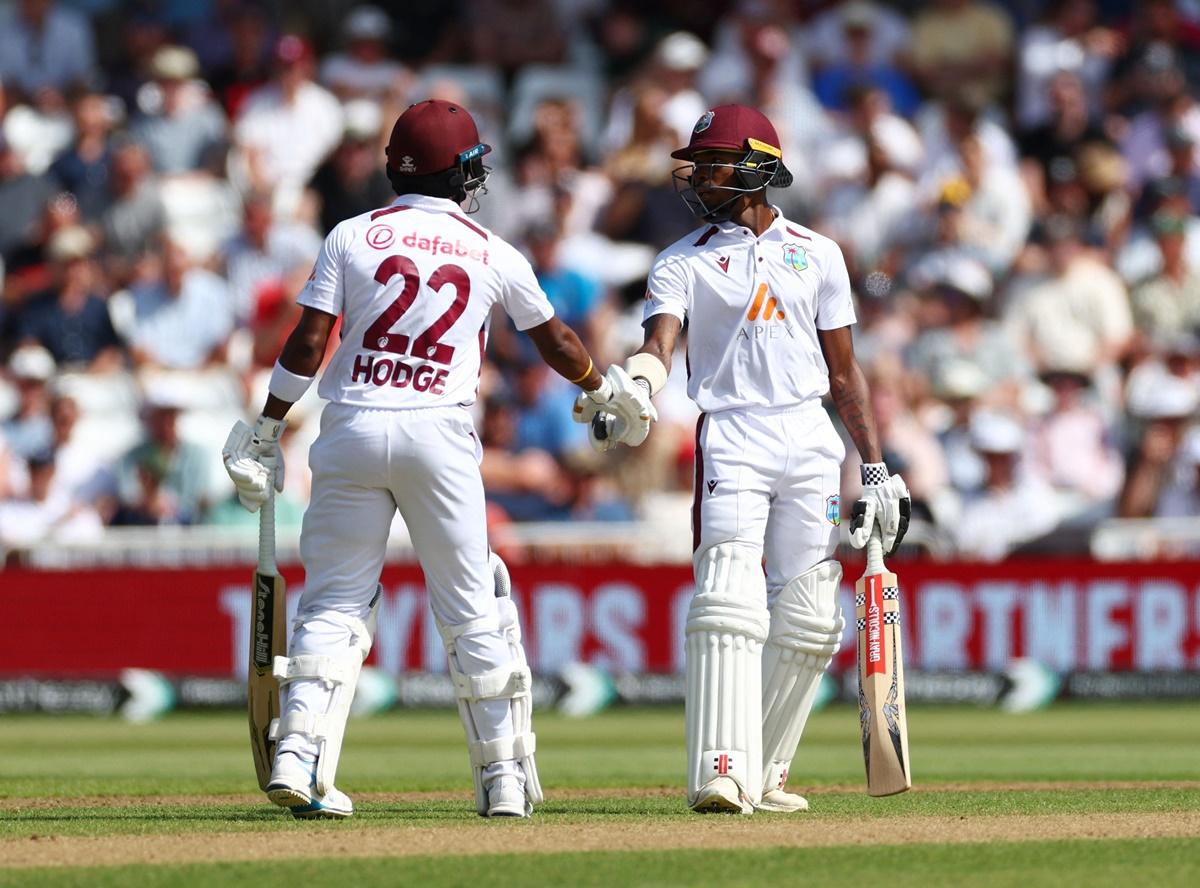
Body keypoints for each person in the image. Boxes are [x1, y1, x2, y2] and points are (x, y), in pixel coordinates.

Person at [221, 99, 652, 820]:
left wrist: (267, 426)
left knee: (331, 602)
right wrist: (603, 389)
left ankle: (299, 758)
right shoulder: (489, 248)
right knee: (472, 610)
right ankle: (505, 783)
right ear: (461, 172)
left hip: (352, 424)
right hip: (439, 433)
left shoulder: (351, 235)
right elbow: (556, 342)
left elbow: (306, 342)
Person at [603, 105, 910, 814]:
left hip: (809, 438)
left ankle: (764, 771)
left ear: (755, 166)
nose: (697, 175)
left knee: (809, 615)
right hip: (733, 436)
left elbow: (846, 374)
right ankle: (718, 768)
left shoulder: (819, 252)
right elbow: (660, 344)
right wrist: (639, 386)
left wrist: (874, 465)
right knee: (728, 599)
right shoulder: (681, 259)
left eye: (711, 162)